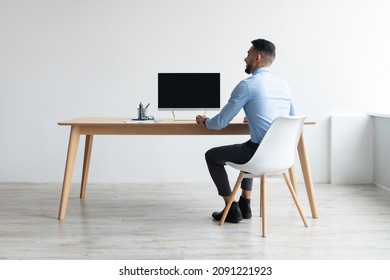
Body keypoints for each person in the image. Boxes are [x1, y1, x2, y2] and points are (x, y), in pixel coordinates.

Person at [196, 39, 295, 223]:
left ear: (256, 58)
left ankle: (231, 208)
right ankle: (245, 204)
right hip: (283, 157)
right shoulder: (284, 85)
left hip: (258, 155)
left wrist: (206, 121)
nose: (245, 58)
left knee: (212, 156)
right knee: (250, 145)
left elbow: (220, 123)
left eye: (248, 54)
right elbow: (291, 118)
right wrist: (255, 116)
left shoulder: (248, 85)